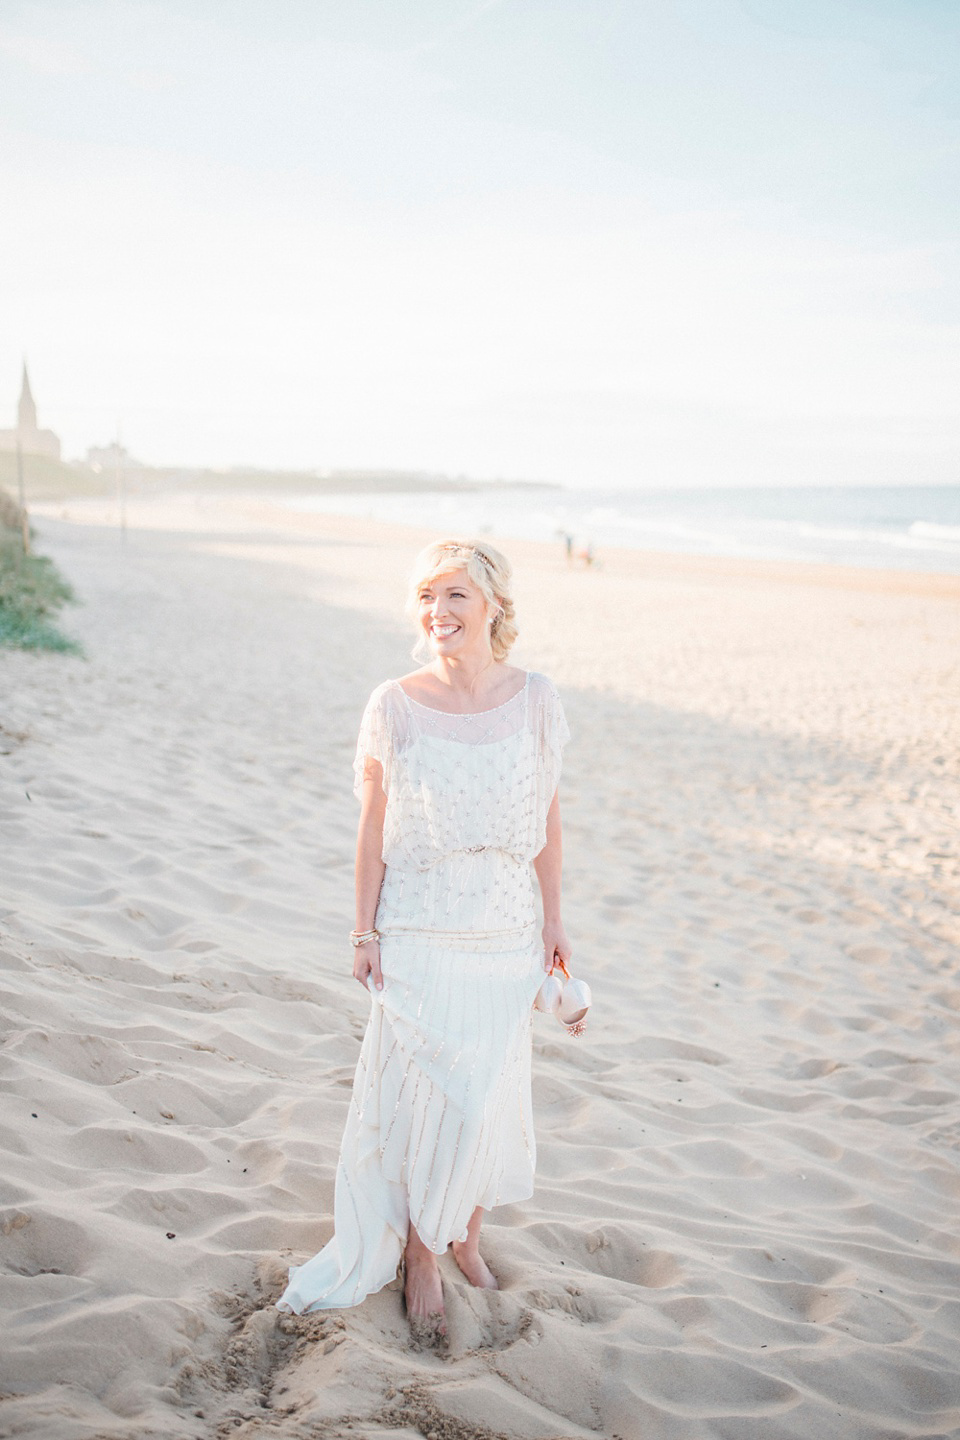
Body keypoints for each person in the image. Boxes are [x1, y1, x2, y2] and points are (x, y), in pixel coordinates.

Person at [275, 538, 572, 1342]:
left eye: (456, 596)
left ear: (494, 607)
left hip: (506, 926)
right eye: (427, 598)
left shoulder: (537, 698)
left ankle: (467, 1233)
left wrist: (553, 921)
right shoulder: (394, 704)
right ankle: (419, 1253)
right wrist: (364, 930)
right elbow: (371, 830)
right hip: (421, 922)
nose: (438, 612)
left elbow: (547, 819)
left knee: (492, 1091)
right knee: (431, 1096)